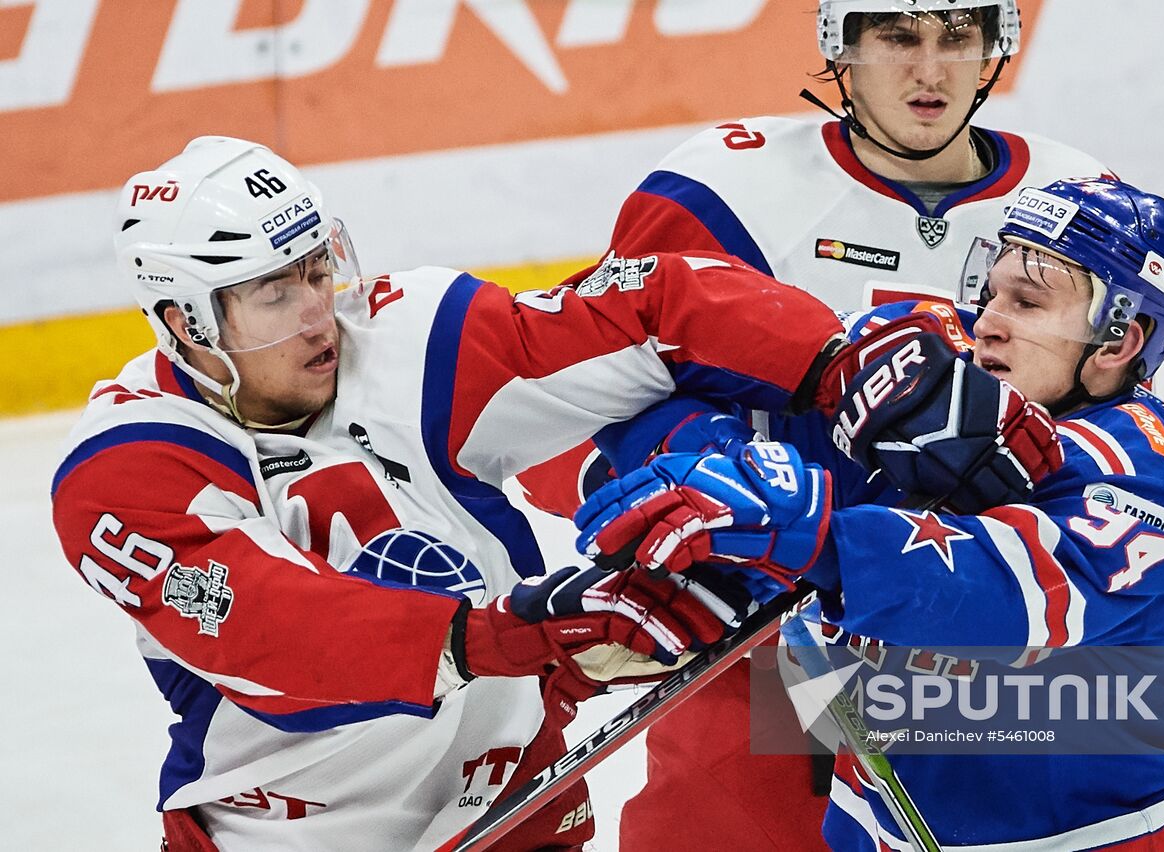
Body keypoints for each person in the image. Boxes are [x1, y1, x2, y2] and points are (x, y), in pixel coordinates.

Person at [48, 137, 1054, 851]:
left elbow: (657, 308)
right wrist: (523, 630)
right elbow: (277, 635)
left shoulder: (410, 344)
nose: (322, 313)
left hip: (521, 813)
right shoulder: (127, 467)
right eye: (276, 293)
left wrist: (842, 367)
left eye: (321, 269)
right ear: (184, 322)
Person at [515, 3, 1164, 846]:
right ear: (839, 44)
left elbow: (1105, 484)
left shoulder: (1064, 199)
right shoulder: (720, 193)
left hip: (963, 672)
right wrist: (727, 486)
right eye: (896, 34)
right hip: (757, 656)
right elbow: (558, 405)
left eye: (957, 36)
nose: (930, 70)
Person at [579, 177, 1164, 850]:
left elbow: (986, 603)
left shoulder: (1150, 485)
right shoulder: (929, 381)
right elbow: (652, 379)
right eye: (993, 290)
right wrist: (719, 467)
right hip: (886, 830)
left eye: (1029, 302)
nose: (988, 319)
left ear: (1120, 340)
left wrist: (814, 535)